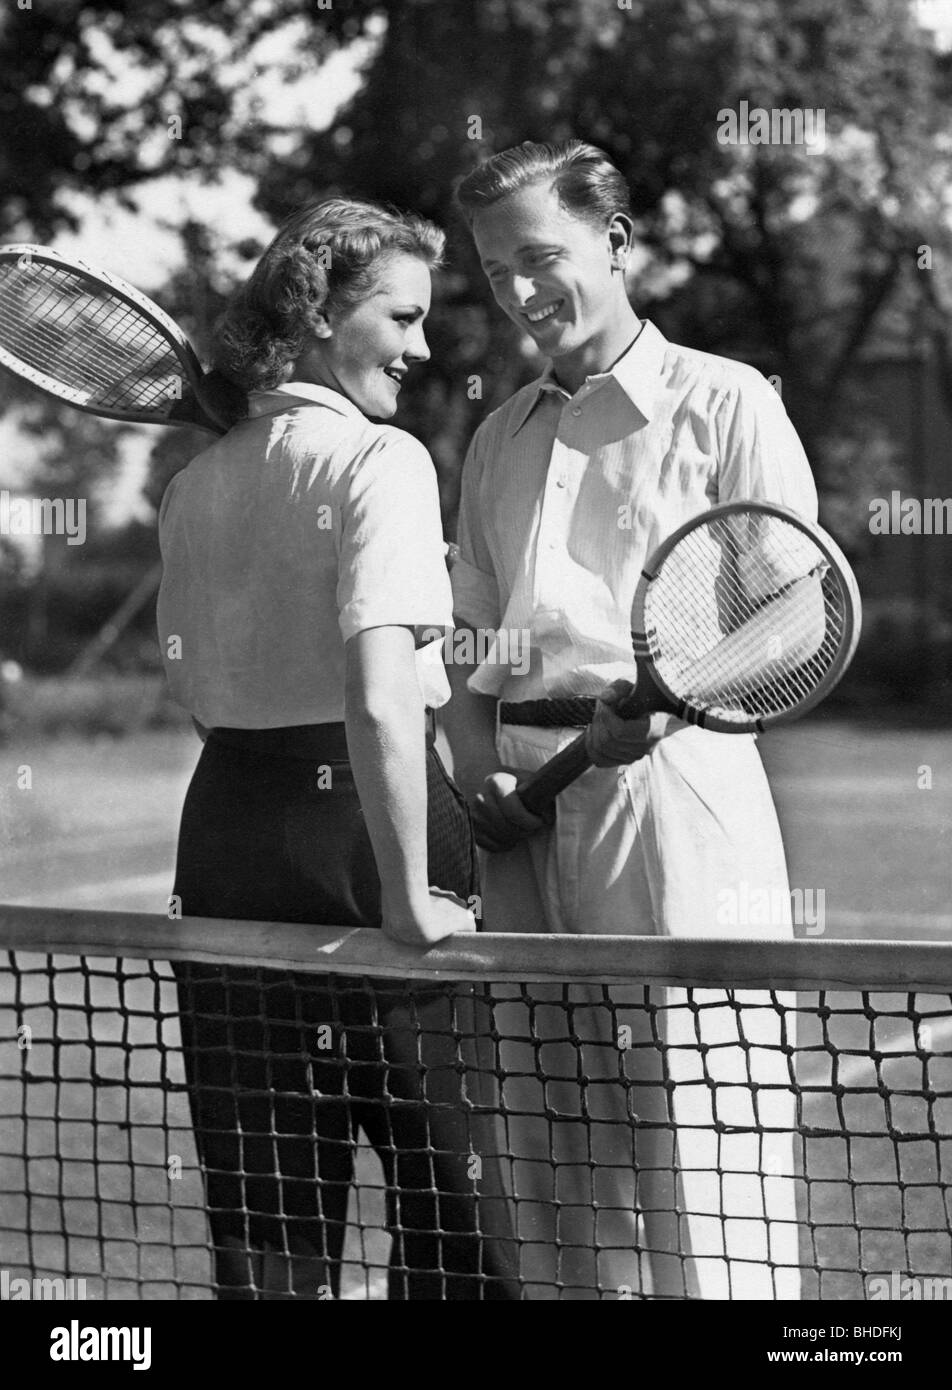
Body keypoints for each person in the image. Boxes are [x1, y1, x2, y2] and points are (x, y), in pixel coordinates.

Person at [443, 140, 814, 1300]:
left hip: (675, 795)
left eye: (540, 258)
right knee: (551, 1164)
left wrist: (678, 693)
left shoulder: (726, 398)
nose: (518, 290)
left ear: (615, 240)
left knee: (702, 1149)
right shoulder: (495, 436)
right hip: (521, 809)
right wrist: (470, 771)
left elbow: (800, 606)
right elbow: (469, 648)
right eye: (496, 269)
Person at [156, 198, 520, 1300]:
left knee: (271, 1243)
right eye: (400, 318)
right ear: (318, 314)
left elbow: (204, 701)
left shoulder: (192, 485)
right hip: (372, 840)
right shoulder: (383, 460)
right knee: (459, 1230)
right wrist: (405, 894)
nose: (420, 349)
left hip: (227, 835)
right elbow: (374, 691)